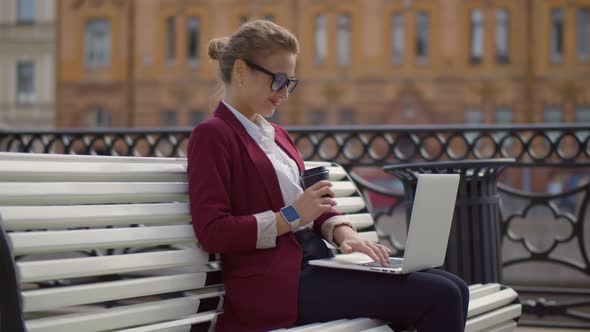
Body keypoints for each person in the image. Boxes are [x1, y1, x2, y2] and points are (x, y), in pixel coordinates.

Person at [187, 20, 469, 332]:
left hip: (314, 267)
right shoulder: (213, 135)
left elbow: (314, 205)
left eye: (290, 83)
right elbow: (213, 231)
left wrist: (345, 235)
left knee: (454, 286)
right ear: (241, 71)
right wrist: (292, 215)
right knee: (440, 295)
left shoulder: (276, 134)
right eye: (278, 80)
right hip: (275, 288)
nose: (284, 93)